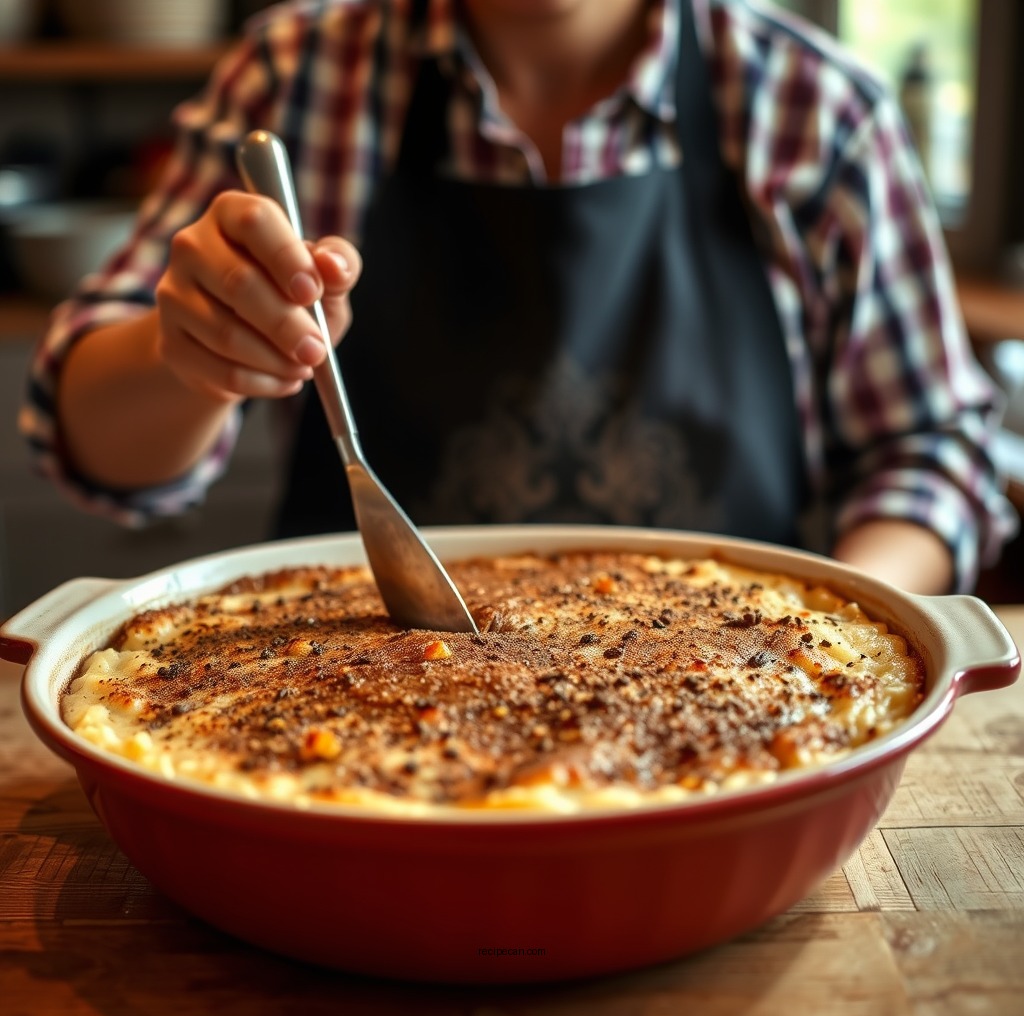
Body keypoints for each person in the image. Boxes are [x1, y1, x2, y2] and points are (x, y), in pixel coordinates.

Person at [19, 0, 1018, 594]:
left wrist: (824, 643)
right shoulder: (301, 72)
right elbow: (93, 441)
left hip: (748, 691)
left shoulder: (817, 108)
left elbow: (933, 452)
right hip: (347, 697)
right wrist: (190, 352)